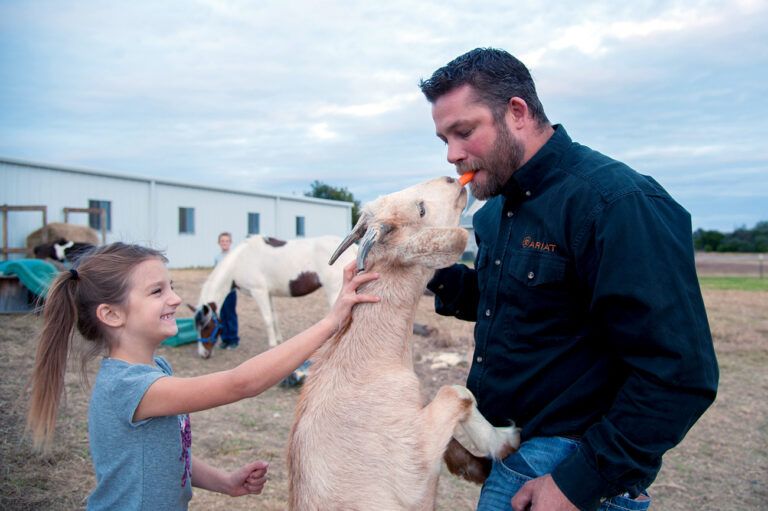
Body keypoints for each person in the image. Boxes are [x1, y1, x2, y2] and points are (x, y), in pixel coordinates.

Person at [419, 48, 718, 511]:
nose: (452, 154)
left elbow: (679, 373)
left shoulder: (615, 202)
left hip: (569, 466)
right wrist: (429, 271)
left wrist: (579, 482)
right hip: (509, 449)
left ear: (516, 112)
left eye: (464, 132)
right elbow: (509, 301)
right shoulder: (496, 210)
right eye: (444, 138)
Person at [26, 242, 379, 510]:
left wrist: (224, 482)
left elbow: (168, 453)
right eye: (157, 291)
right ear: (111, 314)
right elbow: (241, 383)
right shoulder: (131, 387)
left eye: (172, 286)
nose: (176, 299)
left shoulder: (156, 371)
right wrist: (331, 322)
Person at [215, 232, 239, 349]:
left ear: (230, 243)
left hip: (230, 292)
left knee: (230, 315)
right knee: (222, 315)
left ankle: (233, 339)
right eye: (222, 241)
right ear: (219, 243)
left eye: (227, 241)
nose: (224, 243)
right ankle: (225, 339)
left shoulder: (233, 256)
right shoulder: (218, 257)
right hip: (220, 292)